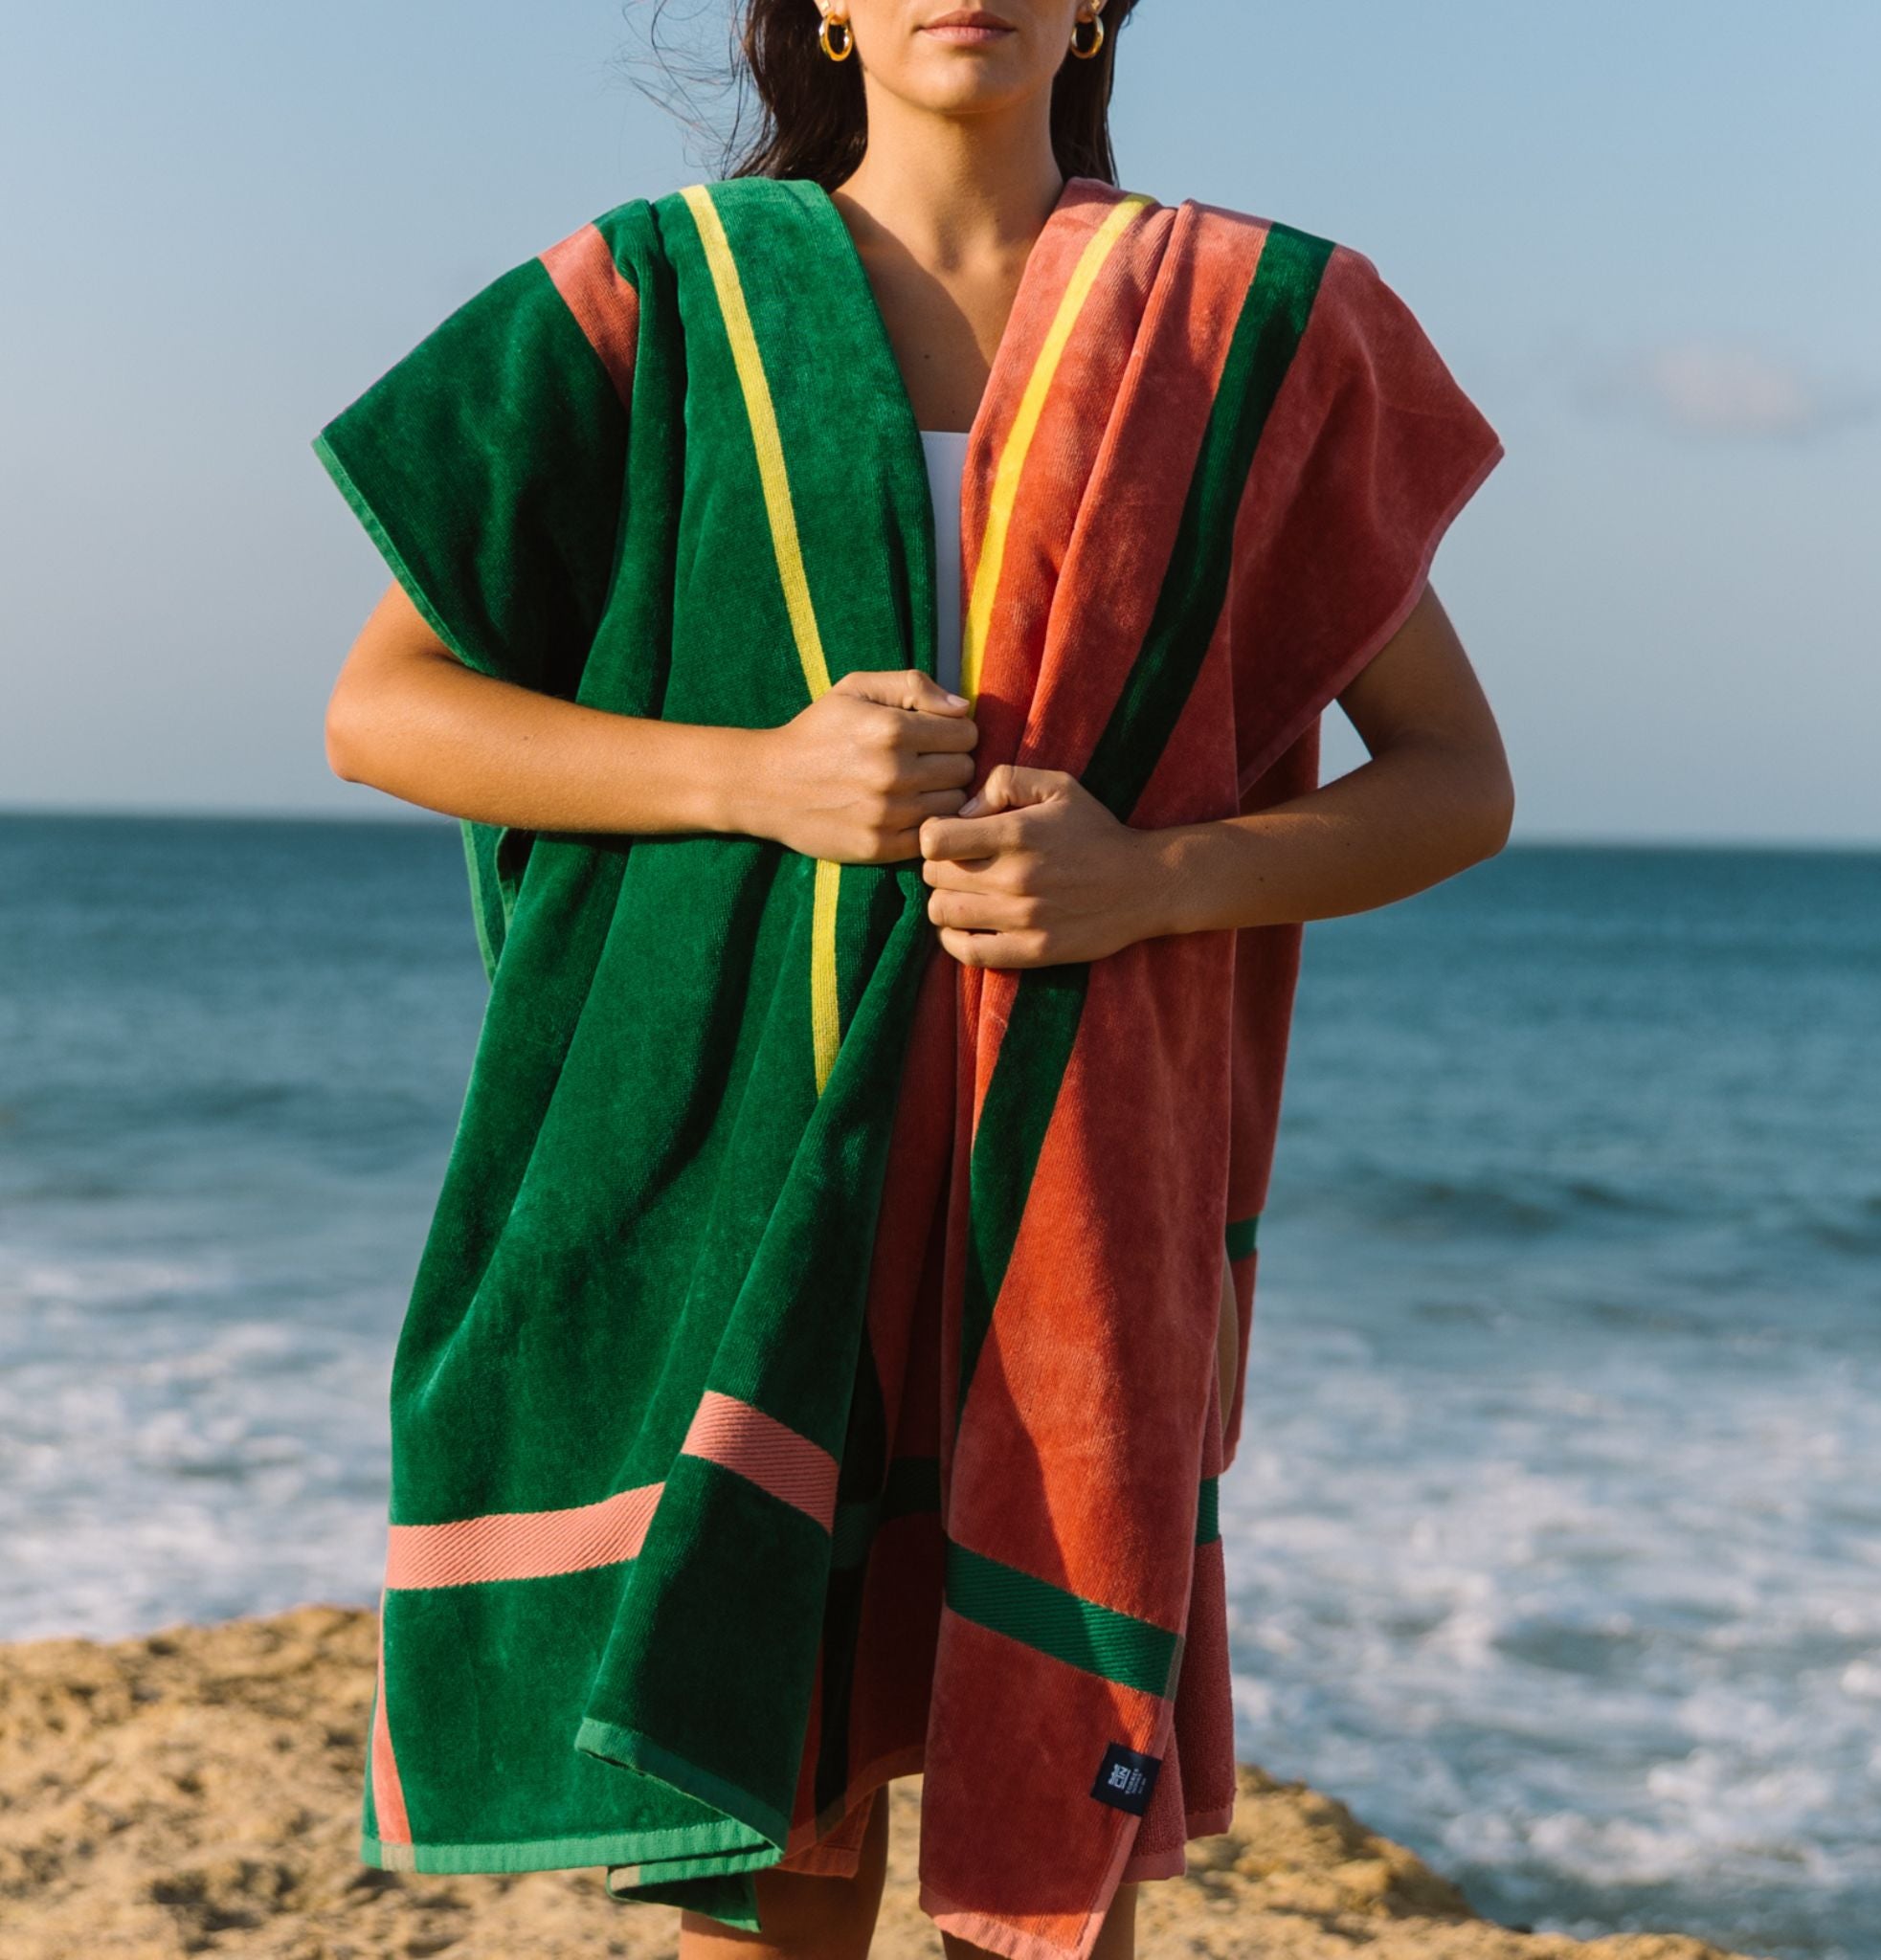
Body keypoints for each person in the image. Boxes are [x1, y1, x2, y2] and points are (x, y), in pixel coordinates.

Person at [316, 5, 1512, 1958]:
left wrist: (1143, 878)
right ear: (824, 12)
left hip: (1076, 1190)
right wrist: (756, 775)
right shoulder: (657, 298)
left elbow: (1458, 781)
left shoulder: (1241, 328)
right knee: (767, 1845)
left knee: (1047, 1854)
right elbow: (385, 709)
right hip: (739, 1181)